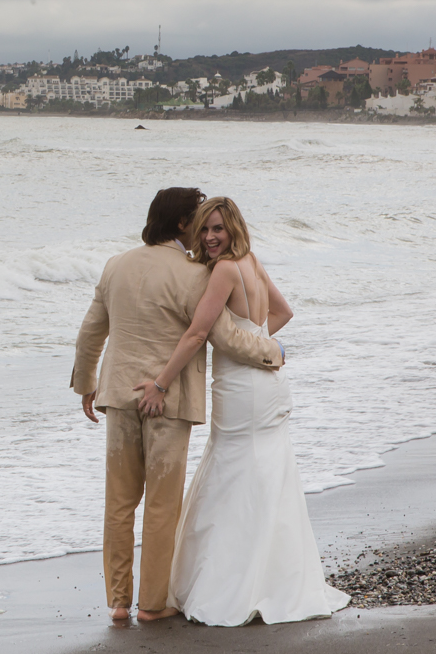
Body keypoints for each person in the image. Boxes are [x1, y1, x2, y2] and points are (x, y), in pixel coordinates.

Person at [133, 197, 350, 626]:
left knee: (235, 470)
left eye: (218, 229)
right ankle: (278, 579)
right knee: (265, 472)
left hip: (240, 387)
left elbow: (197, 334)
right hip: (267, 384)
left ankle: (235, 584)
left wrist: (160, 384)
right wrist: (262, 340)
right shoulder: (250, 261)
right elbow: (282, 312)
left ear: (233, 228)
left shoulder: (224, 270)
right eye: (205, 230)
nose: (211, 237)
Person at [71, 188, 284, 623]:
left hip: (118, 395)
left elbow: (91, 330)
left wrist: (86, 384)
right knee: (162, 505)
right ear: (184, 224)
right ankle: (151, 604)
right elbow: (224, 336)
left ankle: (117, 601)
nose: (203, 230)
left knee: (119, 502)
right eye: (198, 221)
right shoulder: (193, 275)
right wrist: (272, 353)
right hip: (167, 401)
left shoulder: (116, 265)